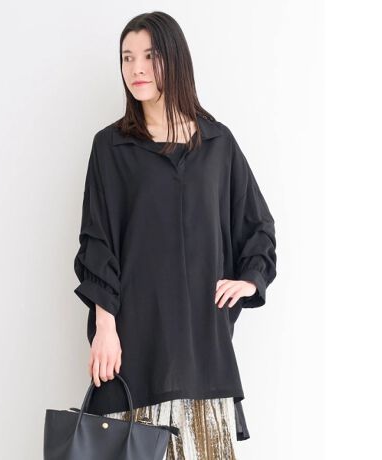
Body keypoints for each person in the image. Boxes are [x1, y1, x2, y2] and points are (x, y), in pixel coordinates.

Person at [73, 11, 277, 459]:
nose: (137, 68)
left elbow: (258, 225)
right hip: (134, 350)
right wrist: (105, 327)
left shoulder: (218, 144)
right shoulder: (110, 147)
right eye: (127, 57)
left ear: (175, 59)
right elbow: (97, 241)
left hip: (204, 351)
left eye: (150, 56)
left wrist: (250, 279)